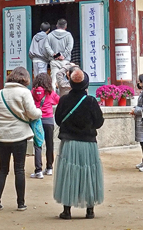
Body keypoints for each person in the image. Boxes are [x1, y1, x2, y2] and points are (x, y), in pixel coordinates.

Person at [53, 68, 105, 219]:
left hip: (69, 143)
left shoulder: (63, 100)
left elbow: (58, 120)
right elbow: (99, 122)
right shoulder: (91, 101)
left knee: (69, 174)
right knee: (89, 173)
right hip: (88, 143)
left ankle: (67, 210)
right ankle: (90, 210)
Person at [0, 67, 42, 212]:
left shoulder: (1, 93)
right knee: (19, 169)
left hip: (2, 136)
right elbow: (32, 113)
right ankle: (21, 203)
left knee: (2, 169)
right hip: (19, 135)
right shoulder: (24, 92)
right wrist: (39, 112)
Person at [30, 75, 59, 178]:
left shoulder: (32, 92)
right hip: (49, 121)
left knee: (38, 145)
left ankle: (38, 170)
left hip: (37, 120)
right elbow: (57, 101)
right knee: (49, 144)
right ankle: (49, 168)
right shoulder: (50, 92)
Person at [46, 19, 75, 93]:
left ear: (57, 25)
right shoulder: (68, 35)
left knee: (53, 80)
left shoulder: (50, 35)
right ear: (65, 27)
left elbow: (46, 46)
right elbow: (70, 47)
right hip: (65, 62)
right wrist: (63, 55)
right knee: (65, 80)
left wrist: (53, 54)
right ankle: (64, 96)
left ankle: (53, 96)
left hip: (54, 61)